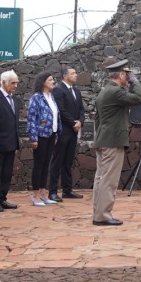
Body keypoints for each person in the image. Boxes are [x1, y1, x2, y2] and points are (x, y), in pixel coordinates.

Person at [91, 58, 141, 226]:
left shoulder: (105, 91)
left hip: (104, 140)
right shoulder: (115, 91)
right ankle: (103, 216)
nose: (128, 79)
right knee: (109, 180)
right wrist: (135, 81)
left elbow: (97, 120)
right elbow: (137, 98)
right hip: (112, 141)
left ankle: (99, 213)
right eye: (126, 75)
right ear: (120, 75)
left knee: (101, 179)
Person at [0, 70, 21, 213]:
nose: (15, 85)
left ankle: (2, 198)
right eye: (13, 83)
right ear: (3, 83)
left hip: (11, 143)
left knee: (7, 173)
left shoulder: (15, 100)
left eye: (17, 82)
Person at [49, 65, 85, 202]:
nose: (76, 75)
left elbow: (81, 109)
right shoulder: (58, 90)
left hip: (74, 131)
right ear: (65, 76)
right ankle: (52, 191)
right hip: (63, 131)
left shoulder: (76, 91)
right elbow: (61, 110)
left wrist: (80, 122)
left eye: (76, 72)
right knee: (57, 161)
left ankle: (67, 190)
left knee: (68, 162)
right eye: (73, 73)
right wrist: (73, 123)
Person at [27, 71, 61, 206]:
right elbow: (31, 118)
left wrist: (57, 133)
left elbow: (55, 117)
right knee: (39, 164)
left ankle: (43, 193)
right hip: (40, 135)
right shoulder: (36, 98)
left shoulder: (51, 97)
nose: (53, 82)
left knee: (47, 164)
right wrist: (33, 138)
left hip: (51, 134)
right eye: (50, 80)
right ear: (43, 82)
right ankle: (35, 195)